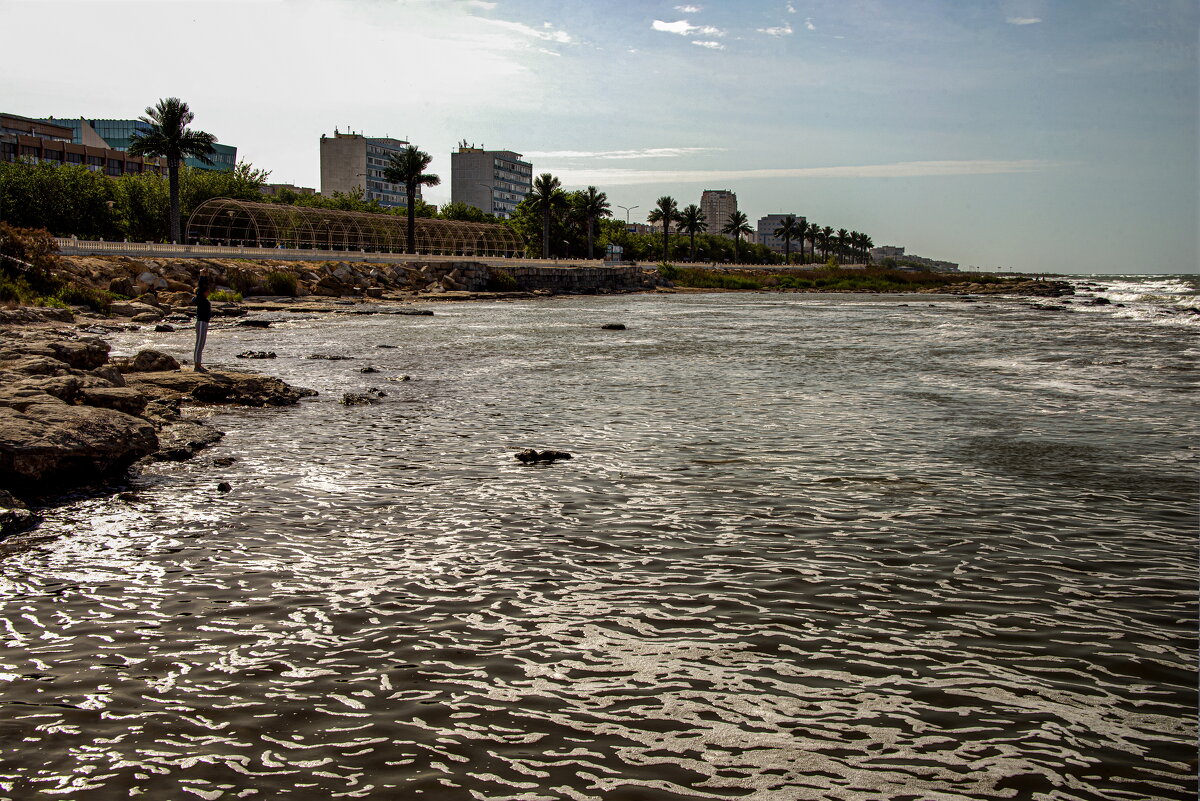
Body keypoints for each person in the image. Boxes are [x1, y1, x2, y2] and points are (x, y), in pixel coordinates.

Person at [193, 273, 212, 372]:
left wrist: (205, 277)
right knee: (199, 344)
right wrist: (202, 276)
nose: (209, 292)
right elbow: (201, 286)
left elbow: (204, 286)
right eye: (207, 291)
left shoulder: (204, 299)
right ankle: (197, 366)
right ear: (203, 292)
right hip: (200, 323)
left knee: (202, 344)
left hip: (204, 323)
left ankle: (199, 365)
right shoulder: (200, 298)